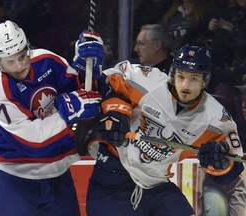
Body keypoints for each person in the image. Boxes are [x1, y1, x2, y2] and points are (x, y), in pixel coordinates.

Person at [85, 44, 245, 215]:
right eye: (181, 76)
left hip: (156, 187)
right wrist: (115, 109)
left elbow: (232, 168)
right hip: (111, 180)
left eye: (194, 79)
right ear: (172, 74)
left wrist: (219, 161)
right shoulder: (145, 81)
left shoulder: (216, 119)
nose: (185, 85)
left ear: (205, 81)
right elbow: (103, 83)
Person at [0, 20, 103, 216]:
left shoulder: (48, 60)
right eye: (11, 61)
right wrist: (68, 110)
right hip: (14, 178)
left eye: (22, 56)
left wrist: (86, 65)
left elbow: (83, 95)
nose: (20, 65)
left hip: (57, 174)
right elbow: (34, 140)